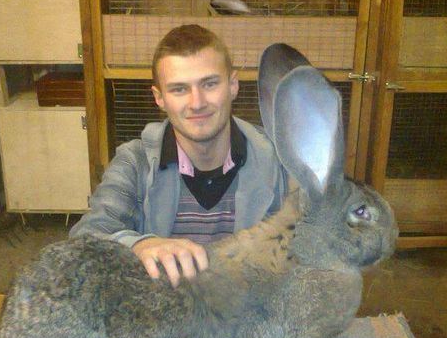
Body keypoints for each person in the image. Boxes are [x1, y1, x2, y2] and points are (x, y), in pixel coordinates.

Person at [70, 24, 286, 287]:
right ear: (159, 98)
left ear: (233, 85)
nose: (197, 102)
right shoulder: (135, 162)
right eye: (179, 89)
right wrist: (139, 245)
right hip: (161, 316)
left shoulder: (278, 161)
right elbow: (84, 239)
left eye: (209, 84)